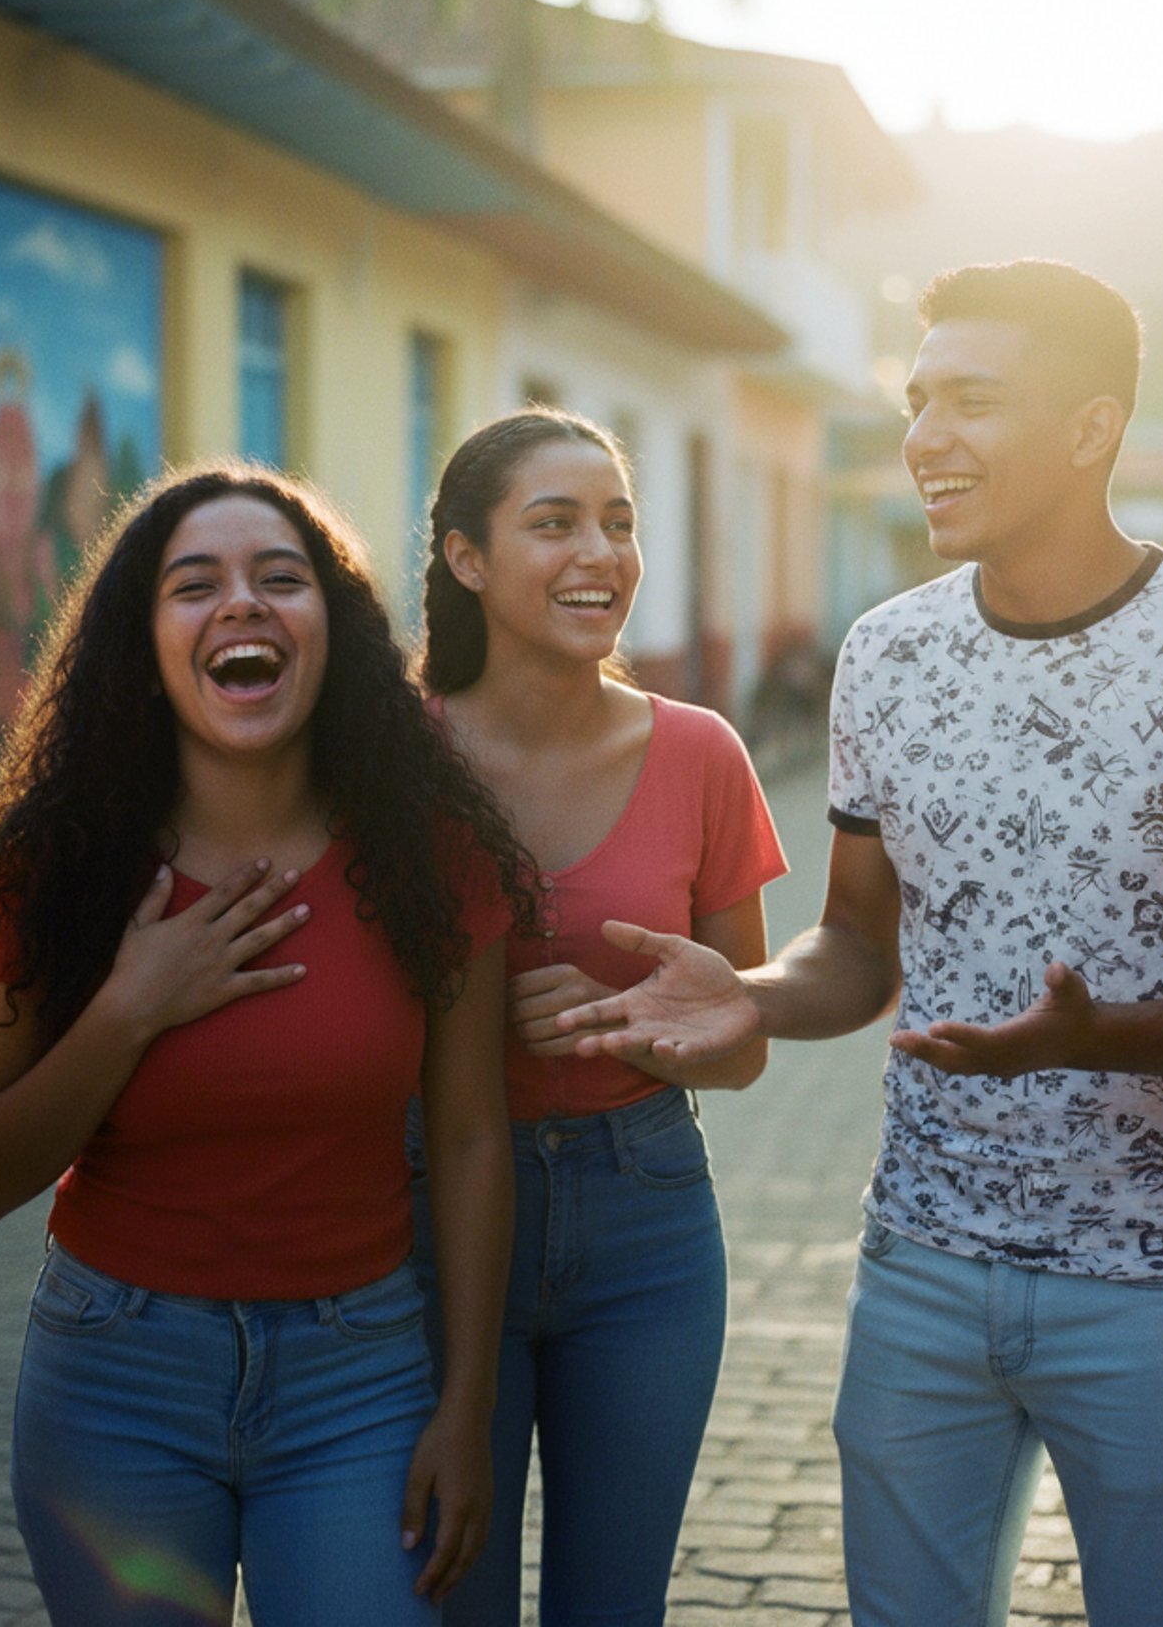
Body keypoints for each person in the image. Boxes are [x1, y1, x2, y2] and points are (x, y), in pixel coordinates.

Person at [554, 260, 1163, 1627]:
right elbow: (856, 950)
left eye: (972, 401)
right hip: (920, 1262)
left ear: (1093, 428)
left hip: (1158, 1275)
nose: (926, 437)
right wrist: (750, 994)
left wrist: (1096, 1039)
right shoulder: (887, 655)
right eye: (918, 401)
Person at [0, 461, 534, 1626]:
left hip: (358, 1377)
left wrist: (467, 1409)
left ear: (334, 626)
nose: (242, 604)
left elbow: (470, 1139)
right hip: (116, 1381)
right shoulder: (60, 866)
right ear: (144, 642)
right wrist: (131, 1005)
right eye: (194, 584)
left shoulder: (432, 854)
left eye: (280, 578)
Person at [415, 407, 787, 1625]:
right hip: (415, 1216)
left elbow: (742, 1050)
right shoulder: (386, 759)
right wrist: (465, 1031)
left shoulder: (701, 754)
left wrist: (645, 1023)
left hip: (646, 1221)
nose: (601, 554)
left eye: (619, 524)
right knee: (447, 1593)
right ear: (467, 557)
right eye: (555, 523)